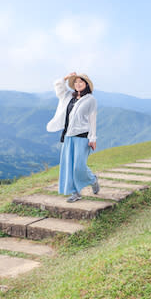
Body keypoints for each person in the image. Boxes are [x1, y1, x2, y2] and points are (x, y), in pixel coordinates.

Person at [46, 71, 100, 202]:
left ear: (86, 84)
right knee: (69, 166)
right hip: (68, 136)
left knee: (78, 166)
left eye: (81, 82)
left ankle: (93, 180)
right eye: (75, 82)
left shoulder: (91, 100)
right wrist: (65, 78)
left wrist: (93, 138)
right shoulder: (69, 96)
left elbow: (93, 119)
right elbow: (59, 88)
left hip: (83, 136)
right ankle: (75, 193)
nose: (78, 84)